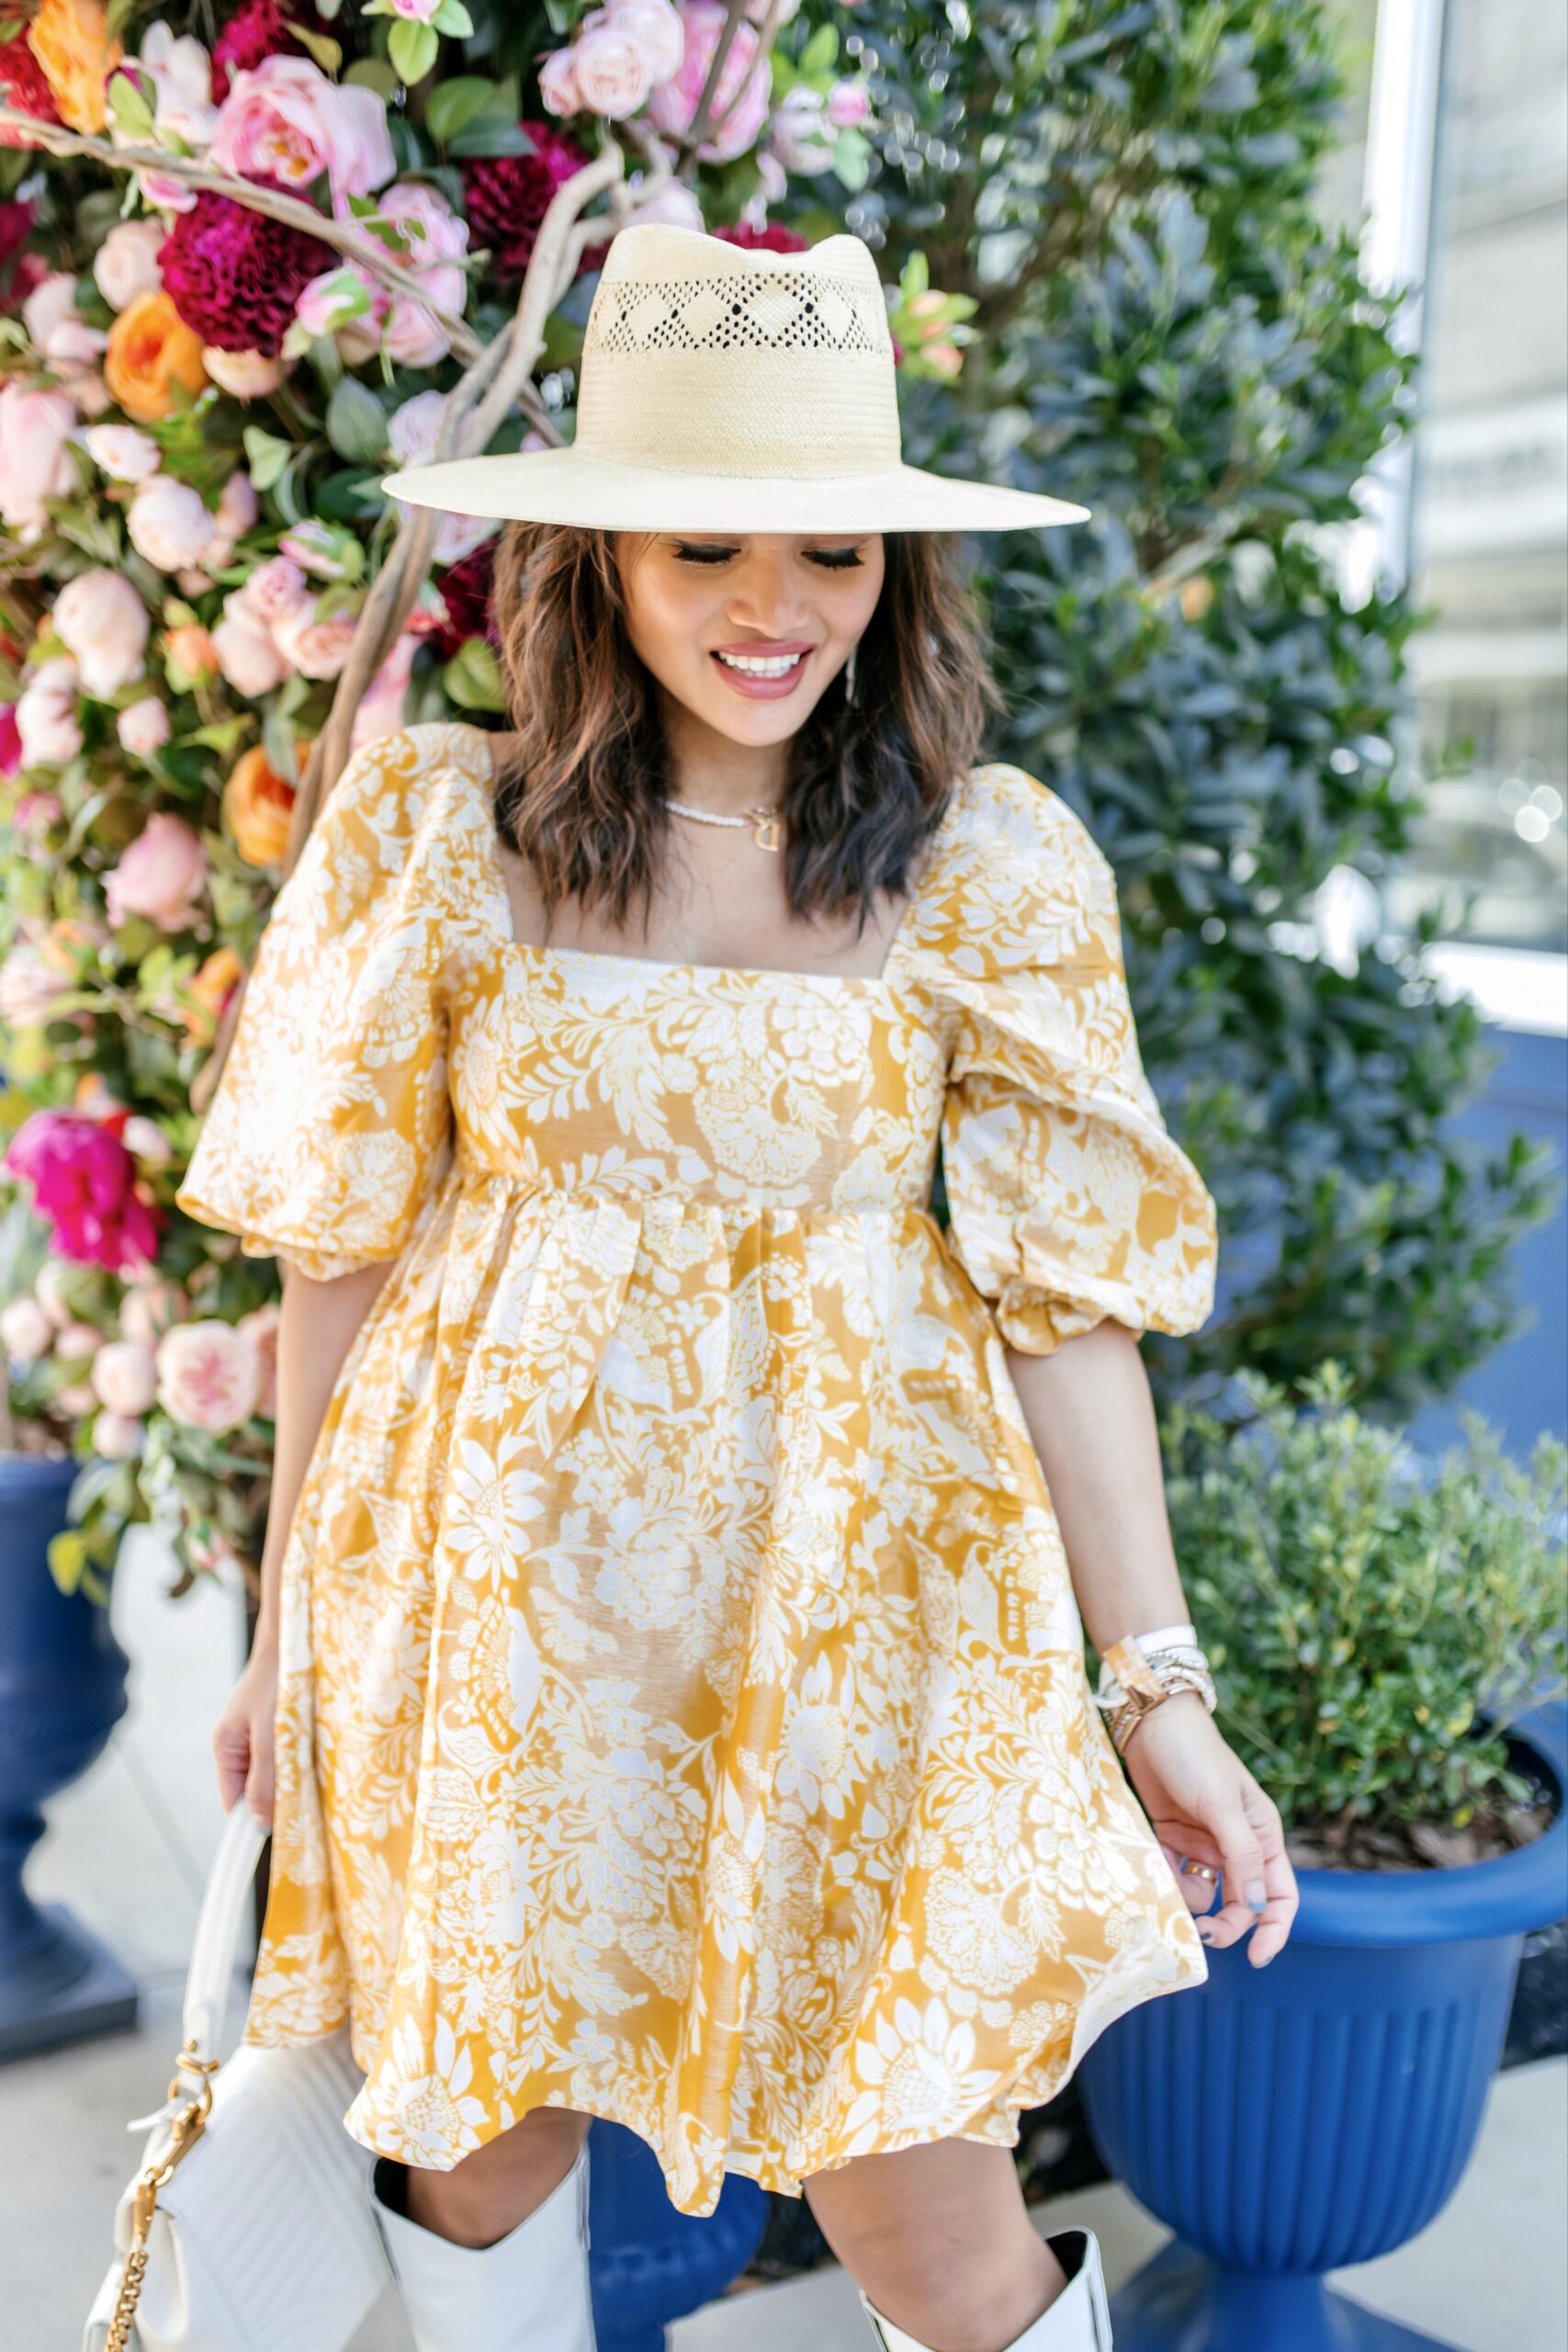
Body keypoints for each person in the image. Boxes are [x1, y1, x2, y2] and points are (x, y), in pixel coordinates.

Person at [177, 224, 1298, 2352]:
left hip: (853, 1616)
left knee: (932, 2218)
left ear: (901, 571)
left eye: (836, 554)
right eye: (707, 546)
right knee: (484, 2141)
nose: (775, 609)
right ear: (600, 561)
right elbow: (343, 1263)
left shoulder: (984, 867)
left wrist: (1155, 1685)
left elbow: (1065, 1311)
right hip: (493, 1605)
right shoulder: (448, 831)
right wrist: (283, 1639)